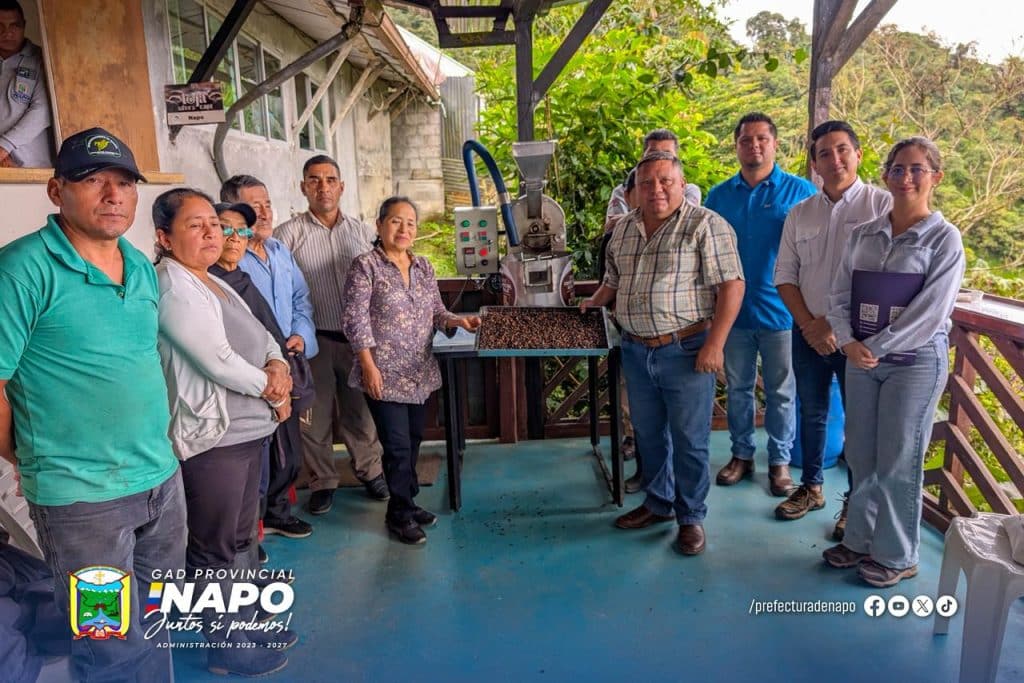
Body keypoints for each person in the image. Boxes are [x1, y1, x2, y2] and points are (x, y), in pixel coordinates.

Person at [0, 127, 184, 681]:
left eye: (124, 183)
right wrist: (25, 456)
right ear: (56, 190)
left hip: (160, 482)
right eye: (92, 179)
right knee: (108, 643)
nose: (113, 195)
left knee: (158, 619)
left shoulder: (140, 266)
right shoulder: (21, 270)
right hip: (83, 503)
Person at [153, 188, 296, 675]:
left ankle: (245, 624)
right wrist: (273, 390)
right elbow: (216, 360)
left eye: (213, 223)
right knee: (214, 546)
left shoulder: (213, 280)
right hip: (214, 440)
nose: (211, 232)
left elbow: (265, 336)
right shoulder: (173, 287)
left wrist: (278, 363)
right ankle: (225, 645)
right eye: (195, 225)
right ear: (164, 238)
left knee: (240, 540)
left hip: (247, 433)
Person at [582, 151, 745, 556]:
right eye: (646, 182)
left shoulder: (705, 224)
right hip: (636, 350)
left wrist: (715, 344)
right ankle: (658, 504)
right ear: (634, 190)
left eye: (665, 181)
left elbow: (732, 285)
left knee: (689, 440)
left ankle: (691, 517)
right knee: (648, 435)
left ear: (681, 184)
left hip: (686, 349)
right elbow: (613, 281)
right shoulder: (623, 229)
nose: (656, 189)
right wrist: (591, 304)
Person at [822, 137, 964, 588]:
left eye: (917, 169)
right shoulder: (863, 234)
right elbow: (838, 293)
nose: (906, 178)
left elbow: (932, 312)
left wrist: (875, 346)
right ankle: (859, 539)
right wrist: (847, 341)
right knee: (861, 452)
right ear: (885, 175)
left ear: (935, 177)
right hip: (860, 357)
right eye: (898, 169)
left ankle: (898, 554)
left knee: (900, 458)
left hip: (914, 362)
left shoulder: (944, 239)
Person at [773, 121, 891, 532]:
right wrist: (809, 325)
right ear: (815, 163)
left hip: (861, 338)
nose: (834, 159)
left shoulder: (882, 207)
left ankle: (855, 504)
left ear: (858, 154)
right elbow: (784, 275)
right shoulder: (800, 213)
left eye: (842, 150)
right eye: (824, 153)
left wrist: (836, 327)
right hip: (807, 333)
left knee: (860, 421)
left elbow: (887, 277)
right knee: (812, 411)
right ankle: (811, 487)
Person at [342, 197, 480, 544]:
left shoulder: (423, 266)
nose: (403, 229)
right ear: (379, 225)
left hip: (419, 372)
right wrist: (368, 366)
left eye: (410, 223)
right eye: (395, 221)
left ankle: (408, 501)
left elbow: (437, 312)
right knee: (398, 446)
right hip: (384, 374)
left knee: (415, 439)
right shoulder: (365, 266)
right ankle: (399, 514)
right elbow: (355, 321)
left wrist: (458, 321)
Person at [705, 112, 817, 497]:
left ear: (774, 144)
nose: (754, 145)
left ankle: (780, 462)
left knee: (781, 391)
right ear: (736, 146)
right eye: (746, 140)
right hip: (732, 314)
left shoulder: (800, 192)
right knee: (738, 388)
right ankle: (741, 455)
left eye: (761, 139)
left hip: (782, 312)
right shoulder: (719, 196)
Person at [276, 155, 388, 514]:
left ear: (341, 186)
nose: (322, 187)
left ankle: (371, 471)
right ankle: (322, 481)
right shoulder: (287, 236)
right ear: (303, 187)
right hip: (313, 342)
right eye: (314, 180)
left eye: (330, 179)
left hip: (358, 343)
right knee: (314, 416)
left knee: (360, 413)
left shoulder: (362, 233)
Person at [220, 174, 316, 552]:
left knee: (287, 448)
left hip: (285, 361)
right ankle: (251, 529)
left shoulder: (279, 251)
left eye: (267, 204)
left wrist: (300, 334)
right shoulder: (227, 261)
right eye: (253, 207)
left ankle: (276, 512)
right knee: (256, 458)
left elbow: (301, 299)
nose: (263, 213)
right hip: (251, 372)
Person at [604, 128, 701, 234]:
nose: (660, 158)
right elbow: (614, 229)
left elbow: (686, 222)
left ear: (677, 158)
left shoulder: (689, 190)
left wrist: (628, 219)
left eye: (667, 154)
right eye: (653, 153)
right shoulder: (623, 191)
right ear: (642, 157)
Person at [0, 1, 53, 168]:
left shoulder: (43, 59)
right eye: (0, 26)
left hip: (31, 167)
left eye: (14, 25)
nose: (7, 33)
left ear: (24, 25)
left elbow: (43, 111)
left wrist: (4, 146)